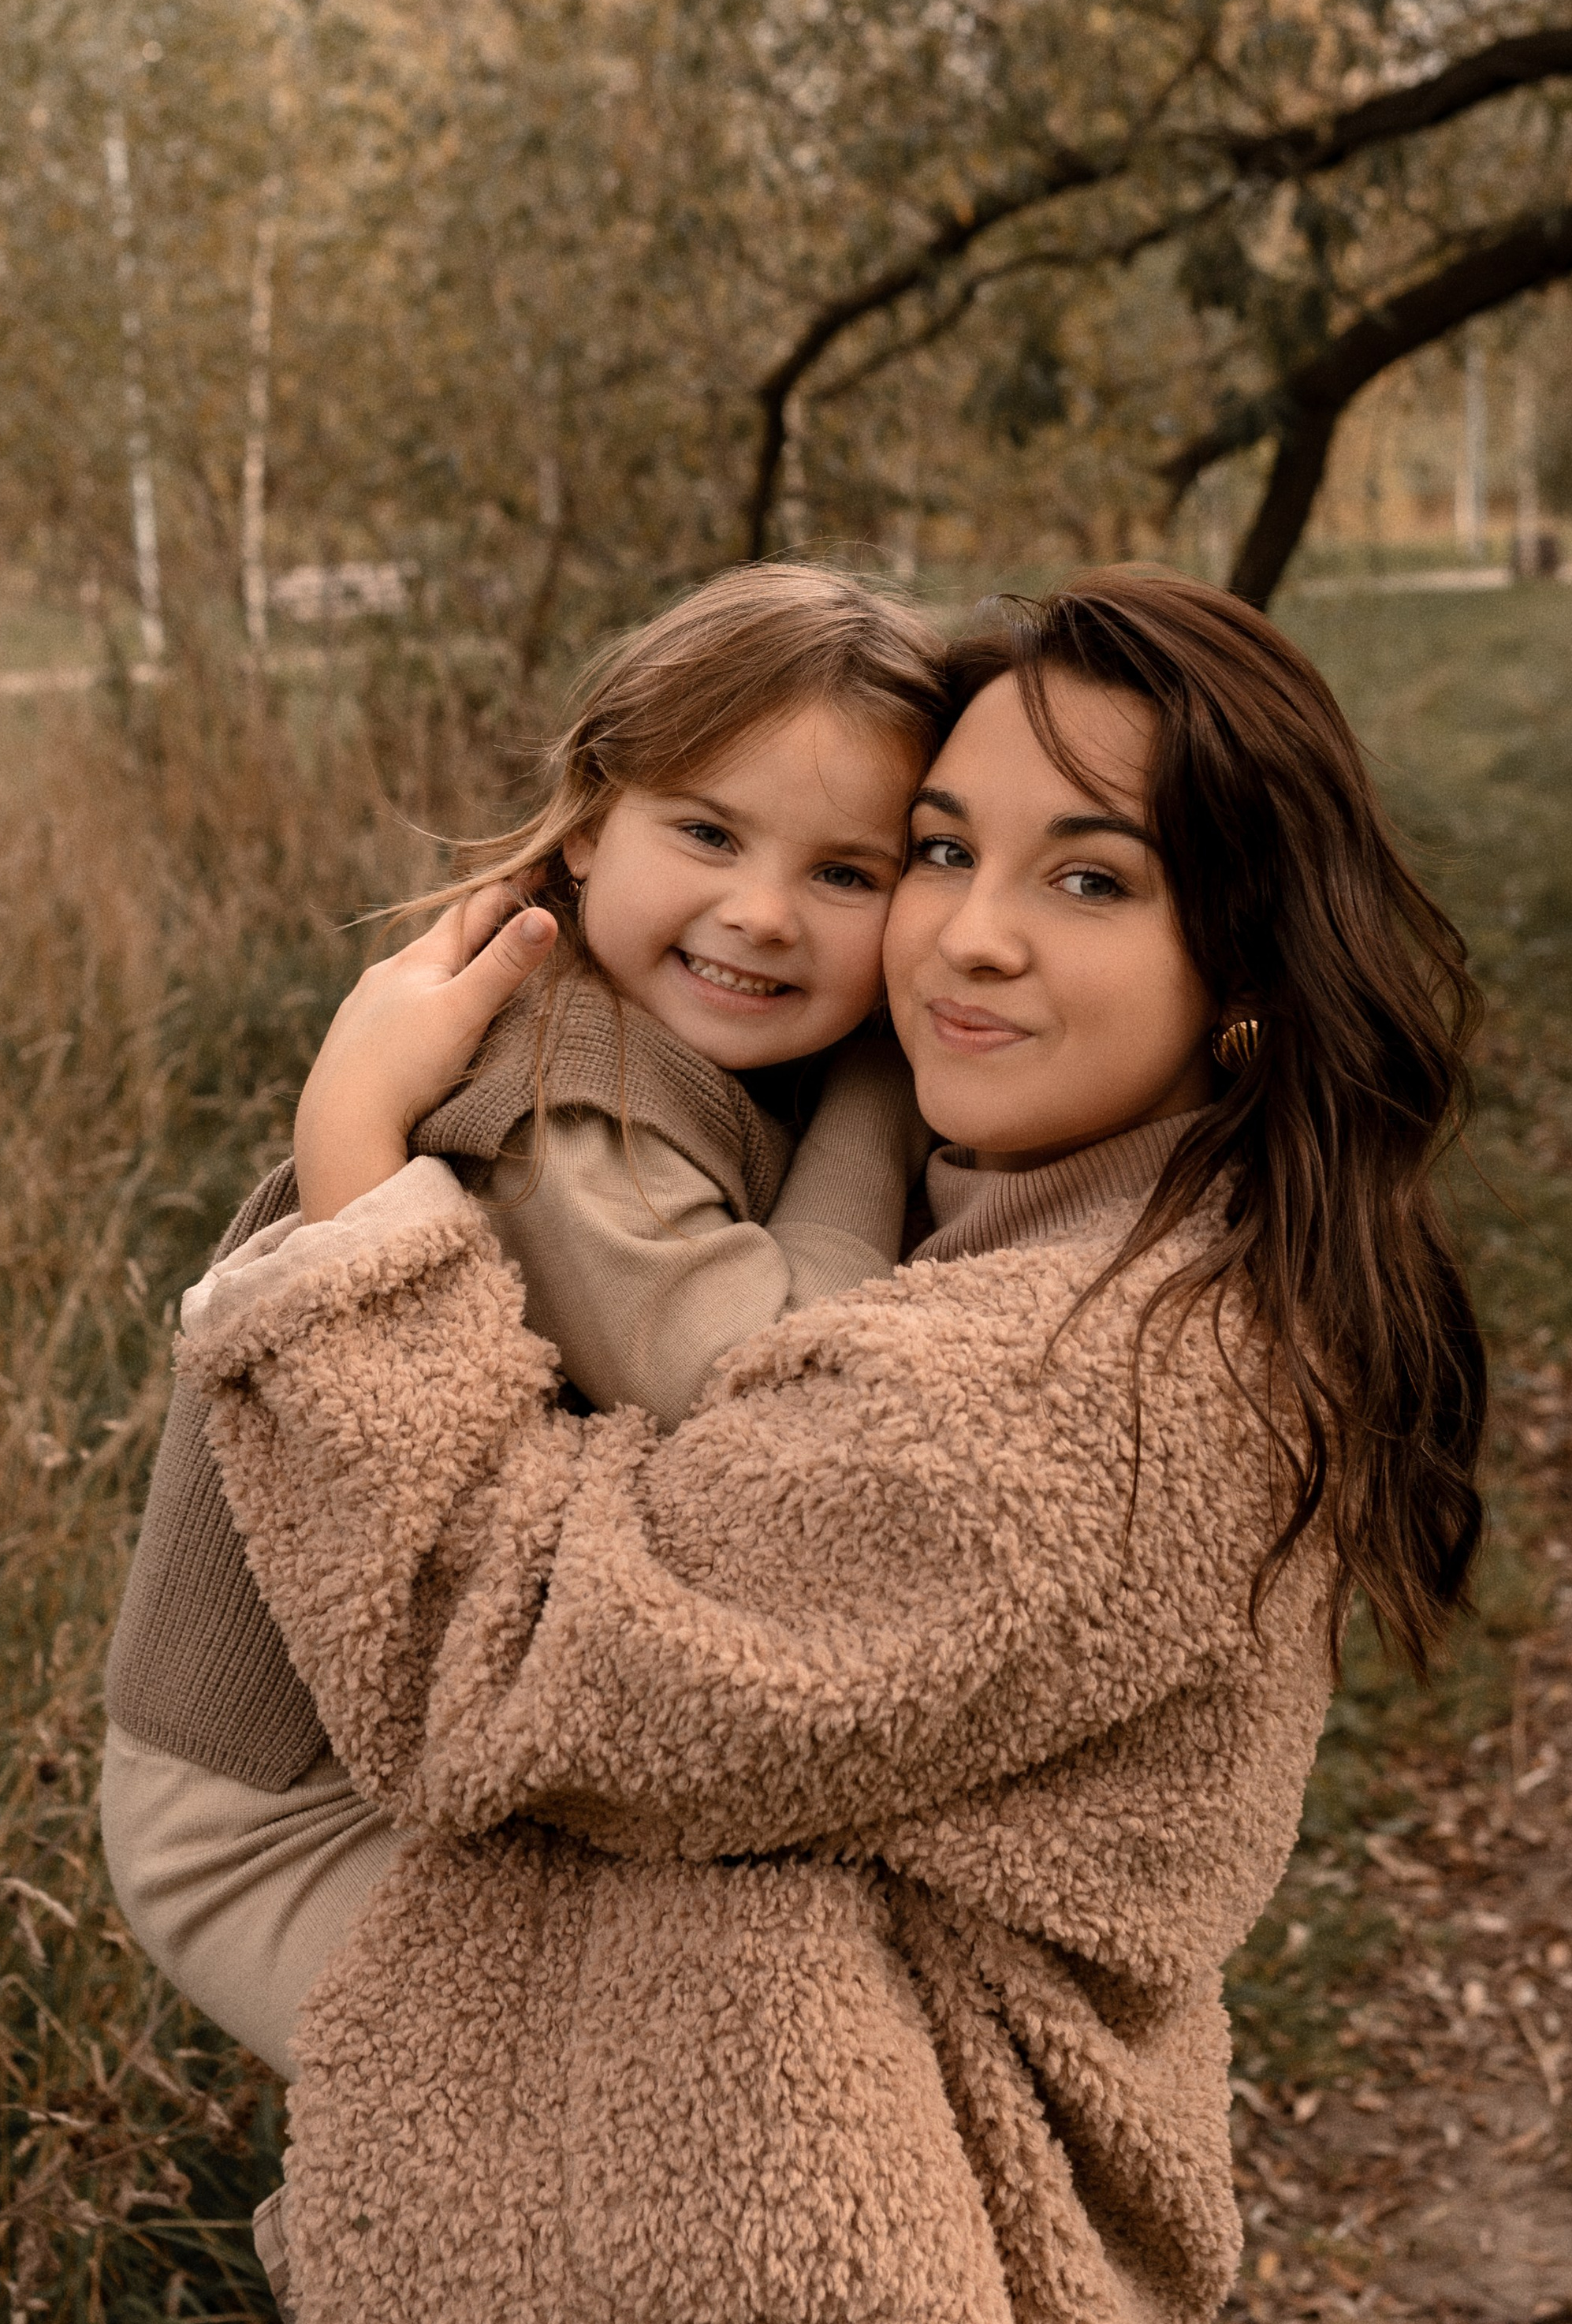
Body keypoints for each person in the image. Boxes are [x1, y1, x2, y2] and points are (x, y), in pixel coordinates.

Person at [169, 568, 1488, 2324]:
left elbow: (500, 1652)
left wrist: (352, 1156)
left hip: (786, 2291)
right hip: (725, 2218)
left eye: (1092, 878)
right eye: (948, 853)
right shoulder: (1096, 1228)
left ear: (1245, 955)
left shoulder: (1060, 1406)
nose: (964, 931)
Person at [102, 561, 947, 2080]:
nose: (761, 914)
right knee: (609, 2087)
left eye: (848, 874)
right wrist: (892, 1090)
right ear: (588, 817)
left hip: (424, 1748)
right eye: (707, 831)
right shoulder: (568, 1106)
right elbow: (772, 1385)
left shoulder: (690, 1054)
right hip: (263, 1809)